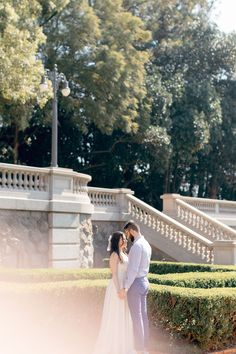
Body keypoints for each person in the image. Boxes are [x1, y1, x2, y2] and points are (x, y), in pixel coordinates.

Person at [92, 231, 135, 354]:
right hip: (117, 288)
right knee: (115, 316)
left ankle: (123, 346)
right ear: (117, 241)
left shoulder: (124, 254)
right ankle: (113, 347)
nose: (125, 241)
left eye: (125, 239)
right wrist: (119, 291)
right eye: (122, 239)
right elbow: (114, 274)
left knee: (124, 315)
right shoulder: (115, 255)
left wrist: (126, 288)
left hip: (124, 288)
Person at [119, 221, 152, 354]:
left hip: (136, 284)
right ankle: (144, 346)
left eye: (127, 233)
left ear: (132, 231)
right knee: (143, 317)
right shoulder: (146, 244)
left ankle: (140, 349)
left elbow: (132, 270)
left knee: (137, 318)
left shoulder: (137, 246)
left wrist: (126, 287)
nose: (127, 237)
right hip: (144, 282)